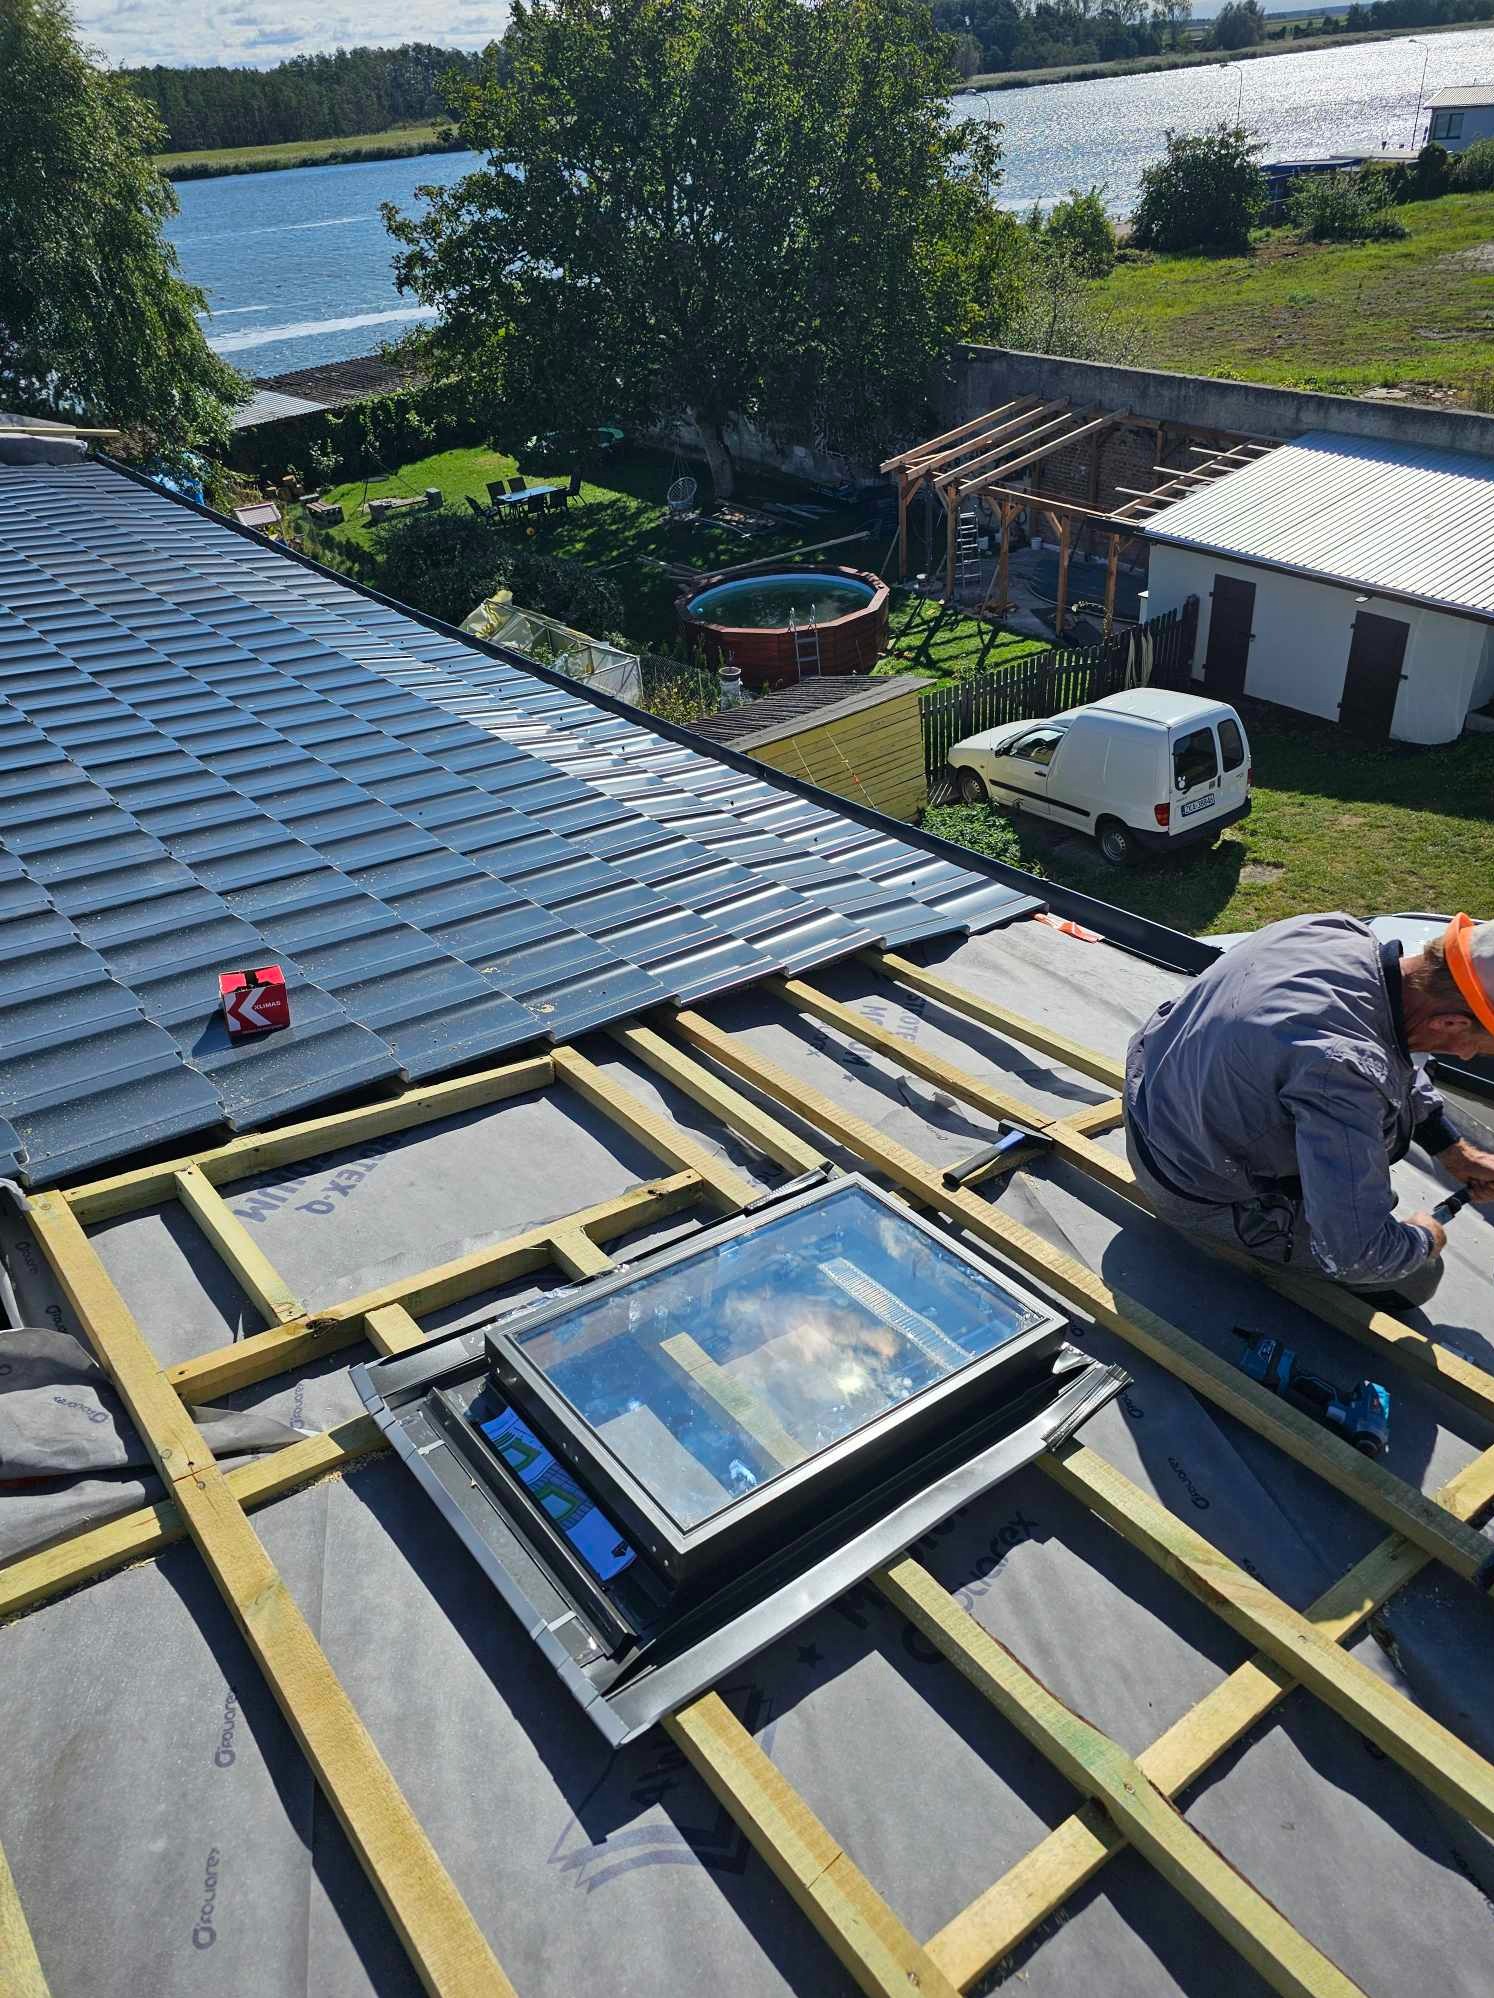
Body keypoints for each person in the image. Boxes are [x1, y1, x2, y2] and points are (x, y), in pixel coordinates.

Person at [1124, 912, 1494, 1308]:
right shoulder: (1343, 1072)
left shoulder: (1335, 932)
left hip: (1153, 1099)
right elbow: (1358, 1255)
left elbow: (1396, 1048)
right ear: (1451, 1021)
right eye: (1479, 1047)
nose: (1469, 1056)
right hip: (1189, 1181)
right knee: (1417, 1276)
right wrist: (1426, 1237)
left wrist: (1453, 1150)